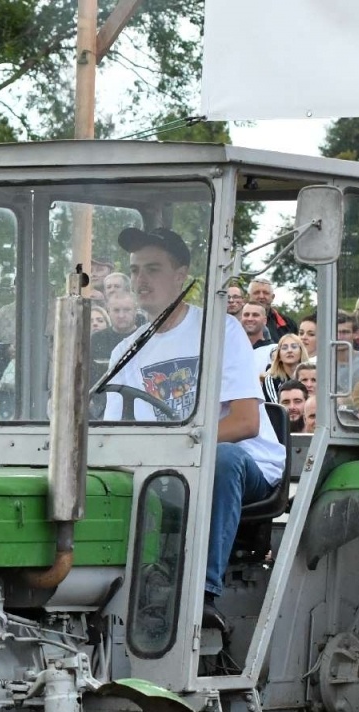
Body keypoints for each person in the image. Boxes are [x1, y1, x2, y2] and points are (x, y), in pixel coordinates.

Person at [102, 227, 284, 622]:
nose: (140, 280)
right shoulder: (124, 350)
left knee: (220, 459)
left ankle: (200, 599)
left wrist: (172, 448)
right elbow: (113, 436)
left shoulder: (219, 330)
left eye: (152, 269)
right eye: (134, 271)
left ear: (180, 275)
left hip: (243, 465)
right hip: (163, 470)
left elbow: (245, 421)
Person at [261, 334, 305, 402]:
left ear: (301, 352)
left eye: (294, 347)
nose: (289, 350)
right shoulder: (271, 379)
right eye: (284, 348)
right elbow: (276, 408)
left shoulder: (310, 376)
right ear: (279, 356)